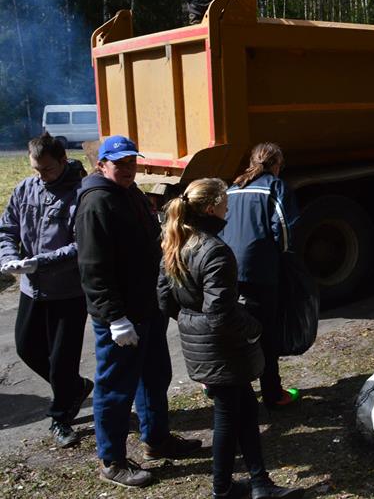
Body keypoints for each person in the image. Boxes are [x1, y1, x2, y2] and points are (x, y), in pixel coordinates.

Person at [158, 178, 304, 499]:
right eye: (225, 203)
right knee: (227, 415)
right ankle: (222, 489)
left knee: (246, 408)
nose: (228, 209)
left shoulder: (176, 242)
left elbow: (165, 299)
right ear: (212, 208)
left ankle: (259, 482)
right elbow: (220, 313)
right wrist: (254, 329)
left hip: (202, 343)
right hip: (222, 347)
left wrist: (191, 321)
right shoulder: (214, 251)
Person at [75, 135, 200, 488]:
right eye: (120, 164)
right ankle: (111, 460)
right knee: (115, 389)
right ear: (102, 165)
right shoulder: (97, 203)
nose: (128, 169)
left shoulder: (128, 193)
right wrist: (114, 318)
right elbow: (93, 269)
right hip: (121, 317)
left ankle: (157, 439)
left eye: (131, 162)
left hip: (147, 308)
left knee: (154, 376)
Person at [0, 133, 91, 448]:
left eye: (47, 170)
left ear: (63, 161)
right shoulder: (27, 188)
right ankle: (75, 388)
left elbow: (81, 246)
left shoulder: (80, 194)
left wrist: (40, 262)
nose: (41, 176)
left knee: (62, 358)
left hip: (68, 292)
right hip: (31, 288)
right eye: (36, 170)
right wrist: (9, 258)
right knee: (27, 348)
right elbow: (8, 228)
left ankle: (61, 418)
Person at [221, 143, 300, 408]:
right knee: (266, 332)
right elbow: (285, 229)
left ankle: (225, 387)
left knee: (236, 330)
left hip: (229, 268)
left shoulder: (233, 188)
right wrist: (286, 259)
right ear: (277, 164)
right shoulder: (275, 187)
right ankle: (273, 393)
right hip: (261, 269)